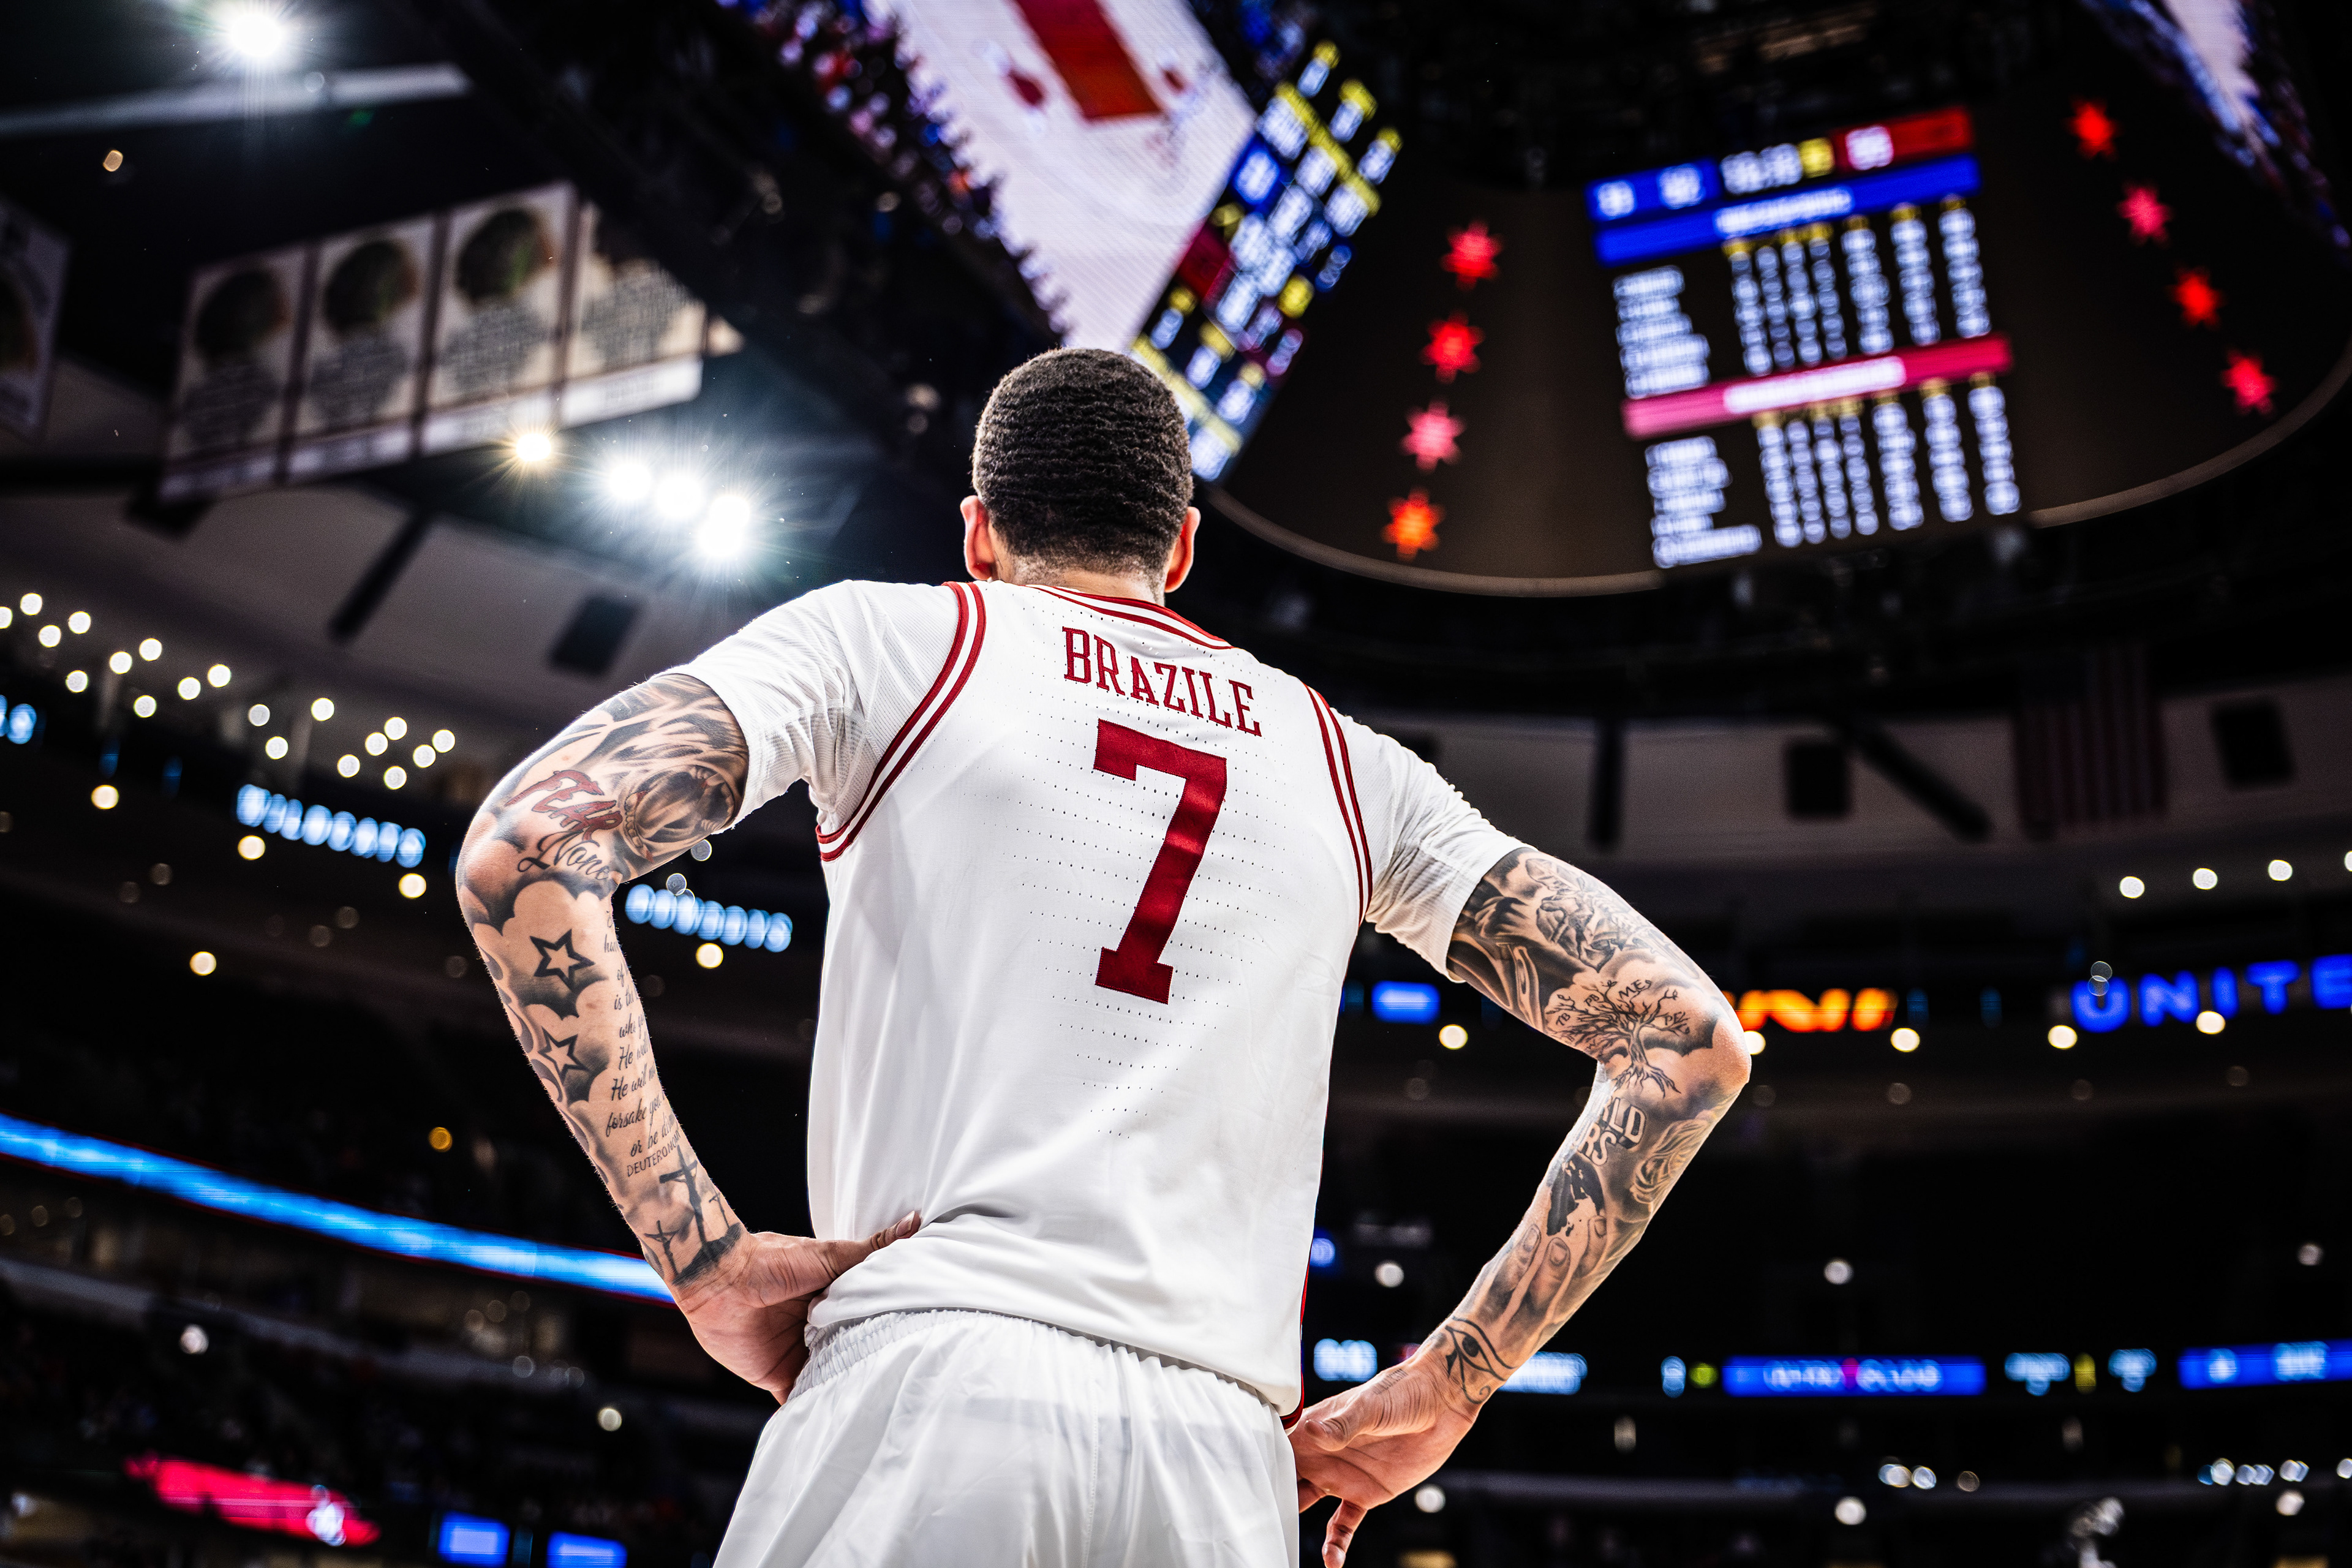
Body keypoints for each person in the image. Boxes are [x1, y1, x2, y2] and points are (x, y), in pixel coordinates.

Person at [455, 348, 1749, 1567]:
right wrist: (1449, 1377)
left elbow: (525, 849)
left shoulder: (892, 640)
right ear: (1183, 549)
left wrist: (703, 1258)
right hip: (1224, 1459)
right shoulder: (1356, 768)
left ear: (978, 532)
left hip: (935, 1377)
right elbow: (1686, 1042)